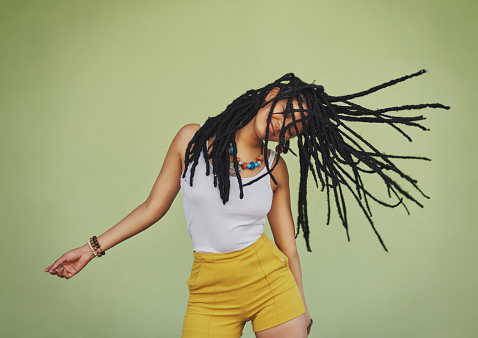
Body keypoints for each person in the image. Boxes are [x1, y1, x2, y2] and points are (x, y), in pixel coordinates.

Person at [45, 70, 448, 337]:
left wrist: (303, 310)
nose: (282, 125)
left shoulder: (275, 168)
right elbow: (153, 207)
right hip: (209, 288)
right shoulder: (192, 140)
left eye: (294, 127)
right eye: (285, 111)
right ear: (272, 94)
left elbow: (288, 246)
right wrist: (90, 249)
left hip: (270, 281)